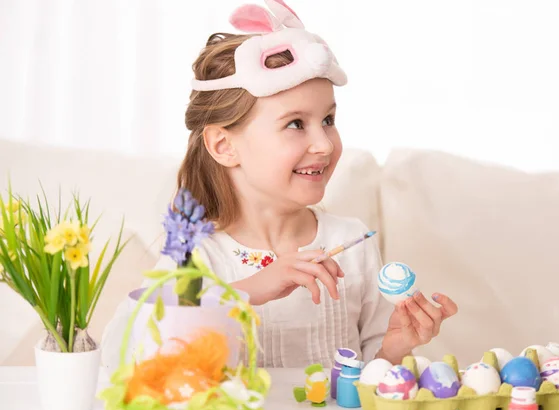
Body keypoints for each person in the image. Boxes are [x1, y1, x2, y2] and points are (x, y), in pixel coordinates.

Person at [102, 0, 458, 369]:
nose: (324, 144)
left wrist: (393, 349)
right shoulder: (198, 255)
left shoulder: (352, 244)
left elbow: (371, 376)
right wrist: (244, 292)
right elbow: (125, 352)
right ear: (224, 145)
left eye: (329, 119)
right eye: (295, 124)